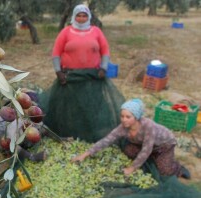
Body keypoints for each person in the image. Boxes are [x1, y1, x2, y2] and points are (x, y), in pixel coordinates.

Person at [40, 4, 125, 142]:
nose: (81, 18)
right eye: (78, 15)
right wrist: (58, 72)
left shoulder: (96, 31)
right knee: (70, 105)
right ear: (74, 16)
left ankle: (92, 131)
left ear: (88, 17)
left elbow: (105, 51)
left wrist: (103, 68)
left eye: (84, 15)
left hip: (93, 76)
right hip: (70, 77)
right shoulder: (66, 32)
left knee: (91, 104)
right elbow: (56, 53)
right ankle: (69, 132)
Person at [71, 99, 191, 179]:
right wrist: (85, 154)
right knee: (128, 151)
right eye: (122, 116)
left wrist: (132, 168)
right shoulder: (123, 128)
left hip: (164, 145)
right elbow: (106, 140)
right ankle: (153, 157)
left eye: (128, 117)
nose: (124, 120)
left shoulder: (148, 126)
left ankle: (178, 168)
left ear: (136, 117)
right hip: (145, 145)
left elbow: (146, 149)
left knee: (164, 171)